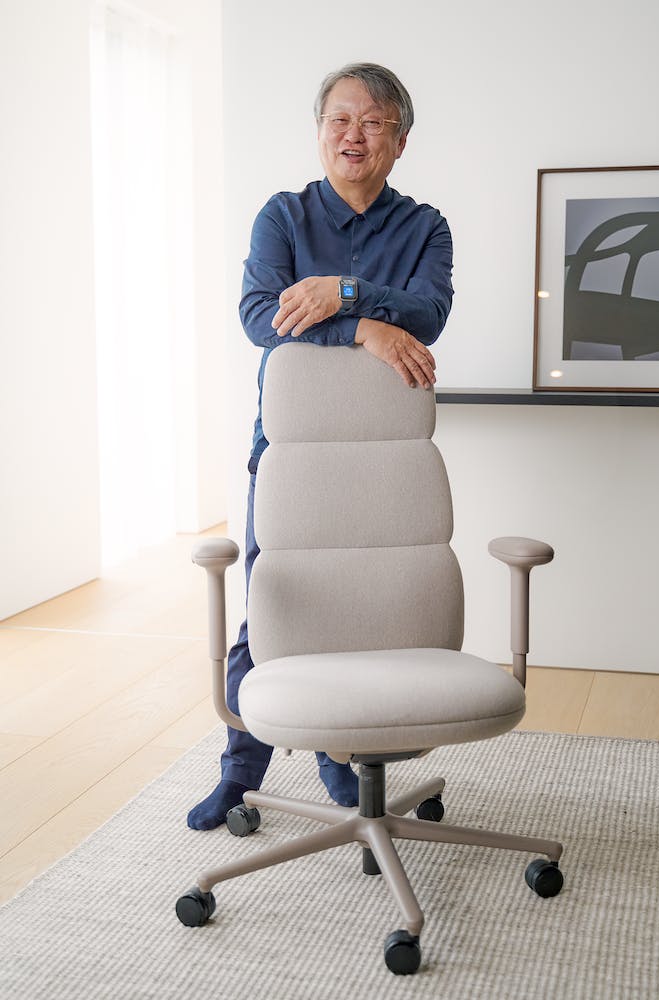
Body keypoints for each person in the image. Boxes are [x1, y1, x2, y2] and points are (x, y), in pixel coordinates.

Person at [187, 62, 454, 830]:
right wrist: (366, 325)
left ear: (399, 141)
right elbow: (259, 315)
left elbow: (428, 315)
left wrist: (340, 294)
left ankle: (347, 767)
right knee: (274, 608)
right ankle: (241, 775)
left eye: (373, 123)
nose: (354, 135)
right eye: (340, 119)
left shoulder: (425, 226)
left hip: (385, 451)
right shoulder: (283, 216)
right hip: (292, 451)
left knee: (361, 612)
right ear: (319, 131)